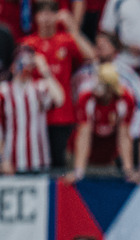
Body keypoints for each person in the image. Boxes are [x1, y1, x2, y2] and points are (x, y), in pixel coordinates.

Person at [21, 0, 95, 169]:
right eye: (42, 14)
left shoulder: (65, 41)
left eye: (50, 14)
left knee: (59, 162)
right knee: (37, 161)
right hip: (35, 114)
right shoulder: (27, 45)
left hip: (63, 115)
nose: (46, 18)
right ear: (36, 17)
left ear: (57, 17)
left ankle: (58, 195)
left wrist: (73, 29)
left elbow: (91, 56)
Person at [0, 46, 64, 174]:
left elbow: (59, 99)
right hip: (12, 162)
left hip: (39, 161)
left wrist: (45, 70)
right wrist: (2, 159)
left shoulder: (39, 88)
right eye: (21, 61)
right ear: (13, 65)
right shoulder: (4, 91)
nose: (25, 65)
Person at [70, 62, 136, 181]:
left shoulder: (124, 100)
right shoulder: (87, 98)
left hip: (108, 157)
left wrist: (128, 169)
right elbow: (84, 135)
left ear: (110, 86)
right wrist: (79, 170)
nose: (95, 85)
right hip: (83, 156)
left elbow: (124, 137)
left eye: (100, 82)